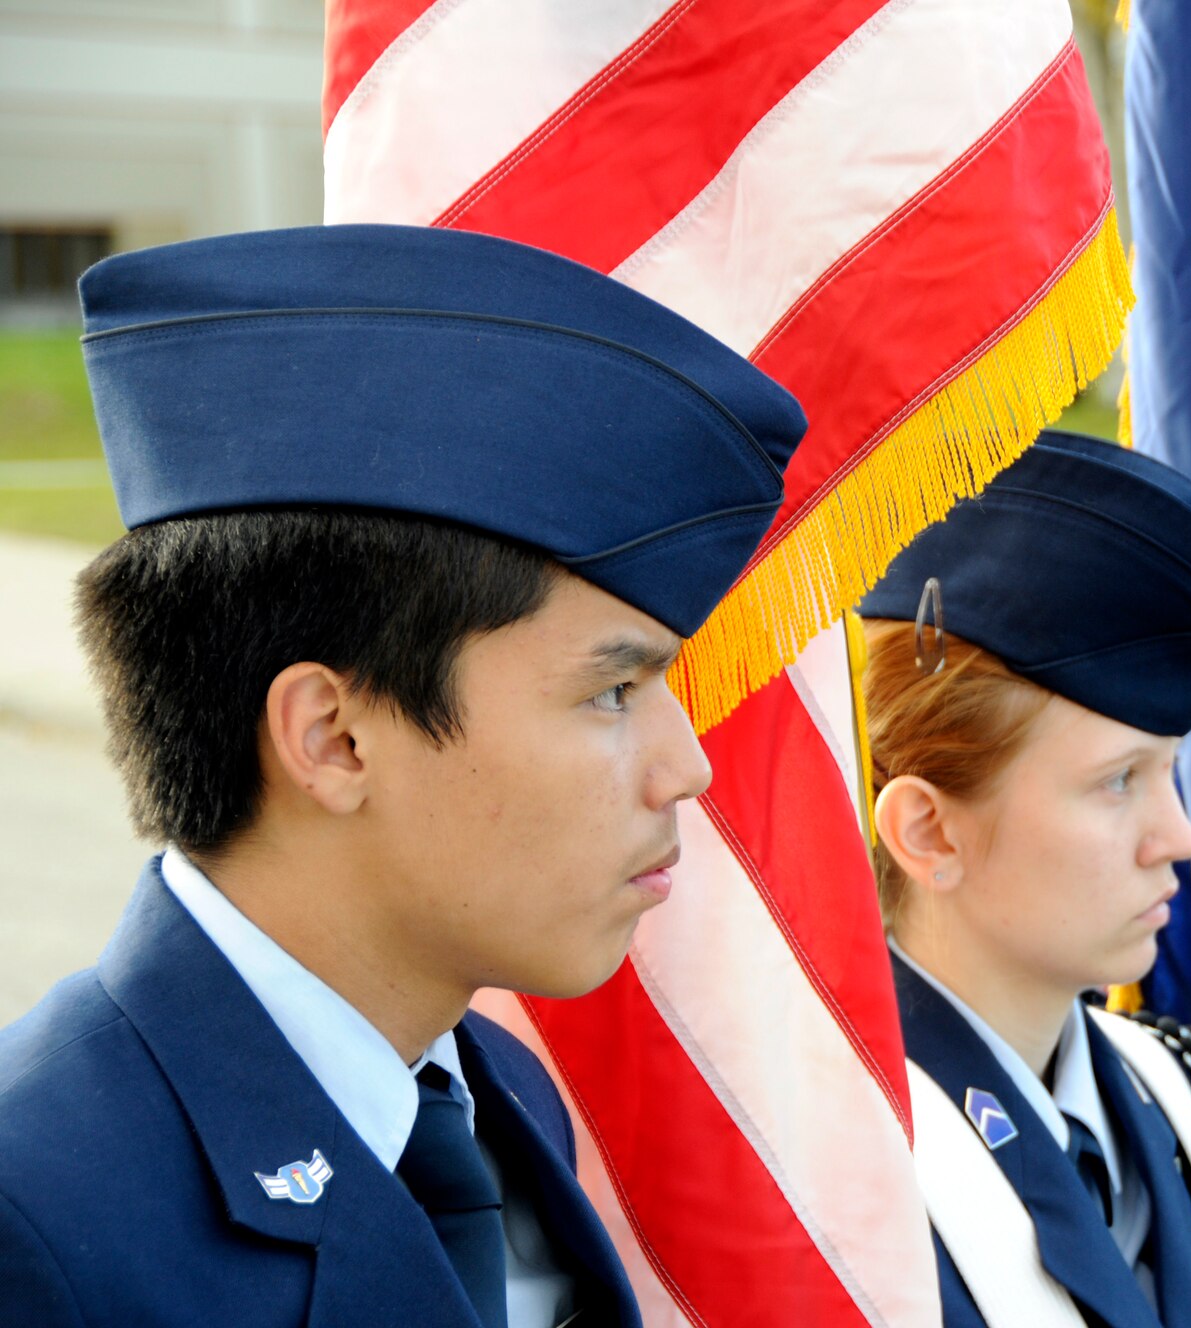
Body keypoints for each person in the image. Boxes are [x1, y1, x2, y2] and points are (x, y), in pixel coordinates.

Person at [0, 224, 805, 1325]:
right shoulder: (36, 1210)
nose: (688, 766)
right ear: (332, 737)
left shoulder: (485, 1096)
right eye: (611, 691)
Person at [856, 430, 1191, 1328]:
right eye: (1118, 782)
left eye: (1170, 773)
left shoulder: (1176, 1096)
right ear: (929, 831)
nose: (1182, 837)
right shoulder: (844, 1169)